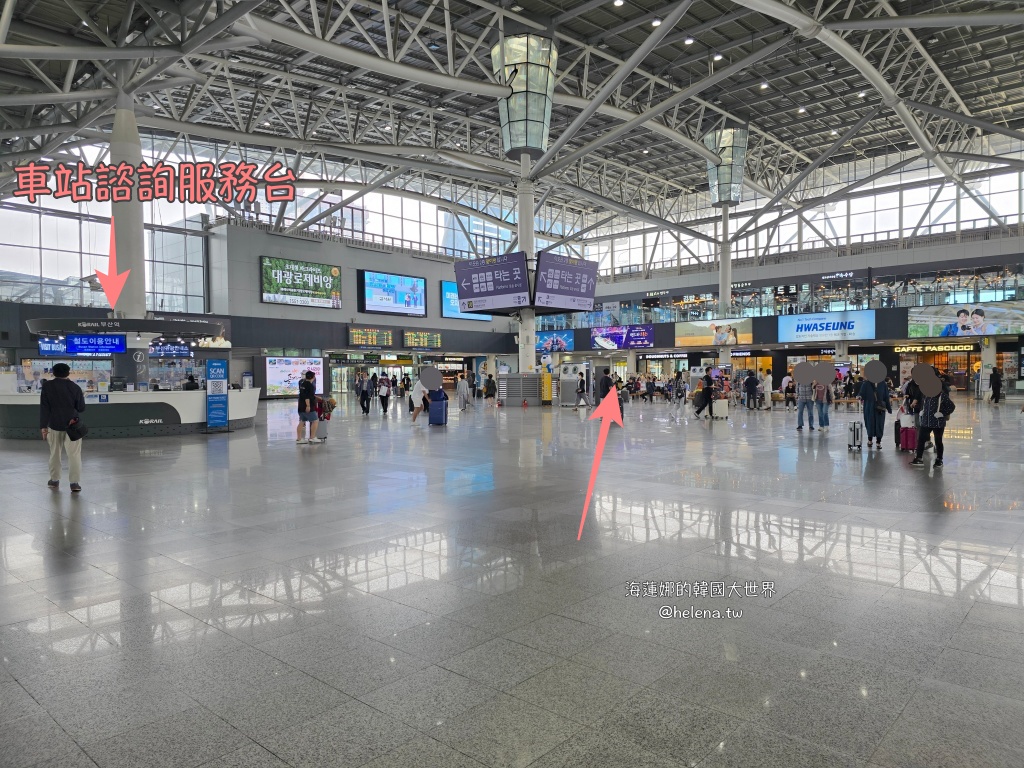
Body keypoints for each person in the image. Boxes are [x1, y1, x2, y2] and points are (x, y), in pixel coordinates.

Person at [40, 362, 86, 492]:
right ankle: (74, 483)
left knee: (54, 453)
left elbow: (44, 407)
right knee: (74, 454)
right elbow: (81, 408)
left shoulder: (47, 386)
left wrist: (43, 426)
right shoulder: (75, 387)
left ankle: (54, 480)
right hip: (73, 426)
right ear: (68, 373)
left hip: (54, 425)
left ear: (53, 373)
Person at [910, 373, 955, 467]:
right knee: (921, 439)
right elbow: (924, 404)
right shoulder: (926, 395)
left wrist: (942, 413)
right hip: (926, 422)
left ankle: (939, 459)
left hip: (938, 423)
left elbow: (952, 406)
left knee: (938, 440)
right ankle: (919, 458)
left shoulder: (942, 396)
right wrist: (922, 410)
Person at [858, 376, 891, 449]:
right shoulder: (866, 384)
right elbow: (861, 393)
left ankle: (878, 442)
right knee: (870, 423)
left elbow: (886, 397)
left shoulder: (883, 384)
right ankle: (870, 440)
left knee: (880, 424)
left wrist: (889, 408)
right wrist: (859, 396)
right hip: (869, 407)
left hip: (880, 408)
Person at [296, 370, 319, 443]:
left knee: (302, 421)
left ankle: (299, 439)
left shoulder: (302, 383)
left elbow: (305, 394)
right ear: (313, 377)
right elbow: (307, 396)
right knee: (315, 420)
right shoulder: (310, 385)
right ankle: (312, 437)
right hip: (307, 406)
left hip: (301, 406)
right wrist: (308, 406)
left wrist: (316, 397)